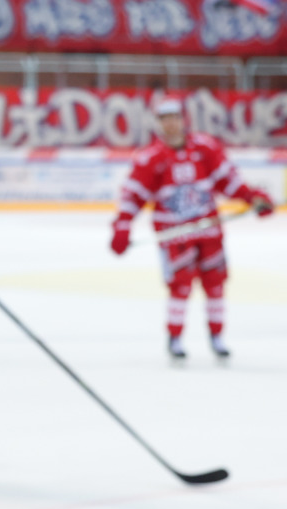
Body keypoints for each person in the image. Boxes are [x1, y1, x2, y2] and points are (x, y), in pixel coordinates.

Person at [109, 98, 275, 362]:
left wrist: (253, 198)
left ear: (183, 119)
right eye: (165, 119)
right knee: (180, 286)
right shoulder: (150, 158)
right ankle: (175, 337)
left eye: (175, 117)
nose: (171, 123)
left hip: (208, 231)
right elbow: (134, 196)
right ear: (158, 123)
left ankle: (217, 336)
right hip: (175, 235)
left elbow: (228, 181)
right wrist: (122, 225)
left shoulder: (206, 148)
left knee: (215, 284)